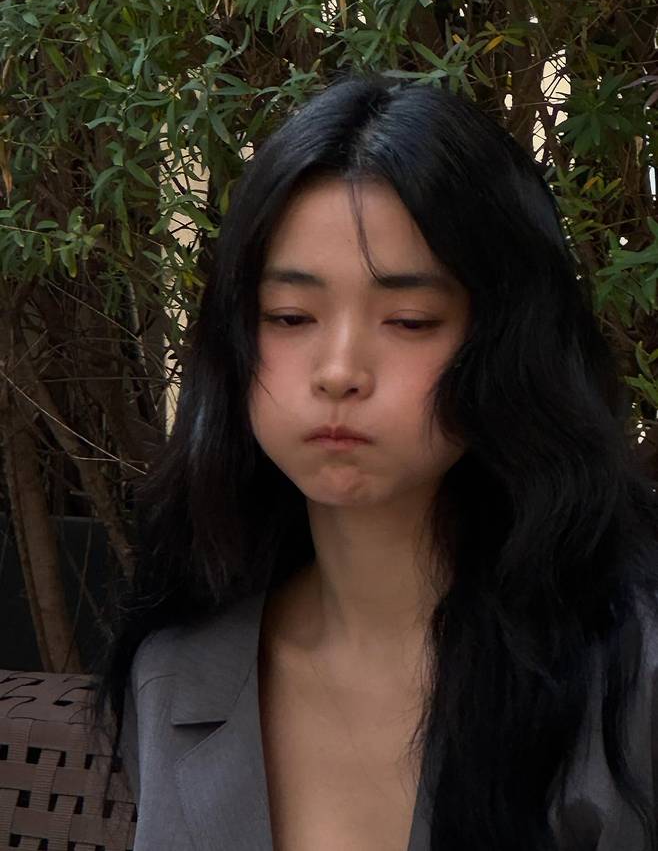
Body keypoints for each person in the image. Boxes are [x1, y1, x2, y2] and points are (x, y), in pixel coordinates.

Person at [90, 69, 658, 851]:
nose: (339, 370)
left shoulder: (627, 675)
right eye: (291, 315)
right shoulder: (179, 672)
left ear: (510, 343)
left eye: (410, 319)